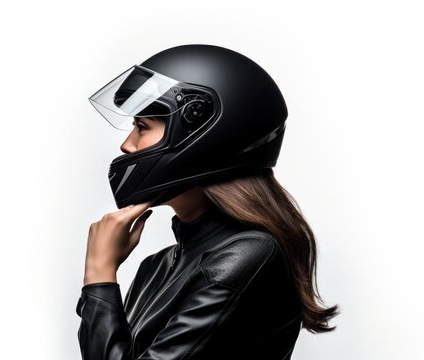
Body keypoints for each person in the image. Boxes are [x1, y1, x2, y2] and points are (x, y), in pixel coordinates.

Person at [76, 44, 340, 359]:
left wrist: (99, 274)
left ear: (203, 135)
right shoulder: (155, 267)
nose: (127, 145)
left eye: (142, 127)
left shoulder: (247, 256)